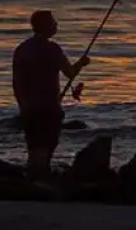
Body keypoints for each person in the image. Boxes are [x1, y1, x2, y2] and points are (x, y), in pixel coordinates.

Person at [12, 10, 89, 178]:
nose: (56, 25)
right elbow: (70, 73)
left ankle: (34, 177)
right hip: (49, 106)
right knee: (47, 145)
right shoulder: (53, 49)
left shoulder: (22, 49)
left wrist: (22, 105)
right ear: (47, 26)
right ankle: (41, 176)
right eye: (53, 22)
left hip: (29, 106)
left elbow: (16, 82)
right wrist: (82, 63)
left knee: (34, 146)